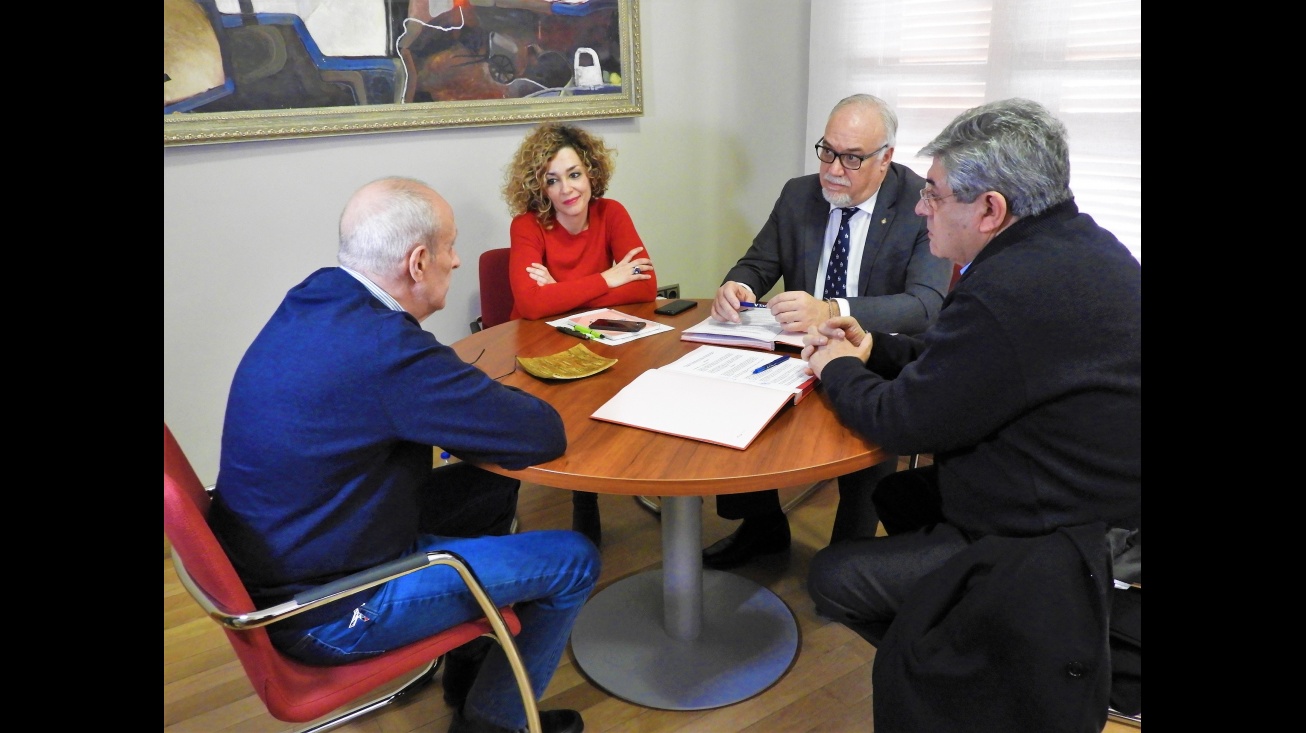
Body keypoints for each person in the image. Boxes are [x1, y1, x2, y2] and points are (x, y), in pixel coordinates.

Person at [209, 177, 599, 733]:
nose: (459, 261)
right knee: (573, 559)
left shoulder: (318, 295)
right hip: (328, 608)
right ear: (418, 262)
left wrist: (453, 391)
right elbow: (539, 435)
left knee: (488, 487)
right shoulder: (385, 350)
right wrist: (465, 391)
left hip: (294, 548)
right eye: (451, 247)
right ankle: (493, 724)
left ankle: (471, 671)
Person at [801, 99, 1140, 729]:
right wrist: (873, 349)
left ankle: (975, 660)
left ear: (990, 210)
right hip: (1087, 502)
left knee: (834, 576)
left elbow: (904, 422)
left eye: (935, 193)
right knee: (902, 497)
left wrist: (833, 368)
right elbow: (973, 365)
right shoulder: (1079, 246)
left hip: (1057, 546)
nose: (922, 206)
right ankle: (968, 630)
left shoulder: (1006, 290)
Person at [703, 93, 954, 569]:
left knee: (870, 428)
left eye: (852, 158)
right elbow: (759, 261)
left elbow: (925, 305)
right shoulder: (799, 194)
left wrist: (832, 309)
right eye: (827, 151)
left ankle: (846, 558)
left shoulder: (921, 204)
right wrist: (736, 285)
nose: (834, 169)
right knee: (732, 409)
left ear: (885, 159)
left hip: (874, 354)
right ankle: (762, 527)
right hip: (797, 349)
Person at [502, 122, 657, 549]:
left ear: (591, 173)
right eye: (552, 180)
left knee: (621, 388)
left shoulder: (612, 213)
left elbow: (645, 286)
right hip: (538, 344)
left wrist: (560, 292)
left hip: (596, 336)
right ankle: (578, 501)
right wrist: (607, 277)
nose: (567, 189)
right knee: (563, 410)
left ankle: (602, 487)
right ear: (540, 187)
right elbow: (532, 306)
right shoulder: (526, 226)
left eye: (574, 174)